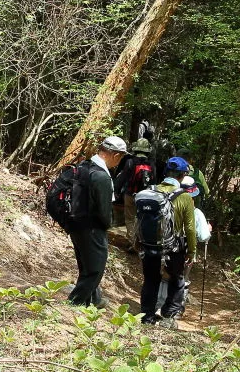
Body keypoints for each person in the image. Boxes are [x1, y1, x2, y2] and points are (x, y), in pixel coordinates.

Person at [68, 136, 128, 308]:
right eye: (121, 157)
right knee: (95, 269)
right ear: (115, 155)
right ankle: (74, 303)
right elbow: (104, 210)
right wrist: (108, 224)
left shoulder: (84, 166)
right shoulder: (102, 176)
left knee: (86, 266)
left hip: (75, 223)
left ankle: (93, 300)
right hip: (93, 227)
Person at [139, 156, 197, 328]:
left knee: (150, 280)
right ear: (182, 176)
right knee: (177, 280)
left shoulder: (150, 191)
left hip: (149, 245)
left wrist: (137, 240)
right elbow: (190, 228)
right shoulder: (185, 197)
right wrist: (192, 250)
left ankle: (147, 316)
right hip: (174, 247)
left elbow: (140, 219)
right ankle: (168, 316)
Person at [114, 137, 156, 247]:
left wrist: (116, 190)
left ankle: (132, 241)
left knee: (130, 218)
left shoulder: (130, 162)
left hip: (130, 194)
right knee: (141, 218)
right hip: (145, 197)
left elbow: (122, 178)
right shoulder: (151, 164)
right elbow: (154, 182)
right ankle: (140, 240)